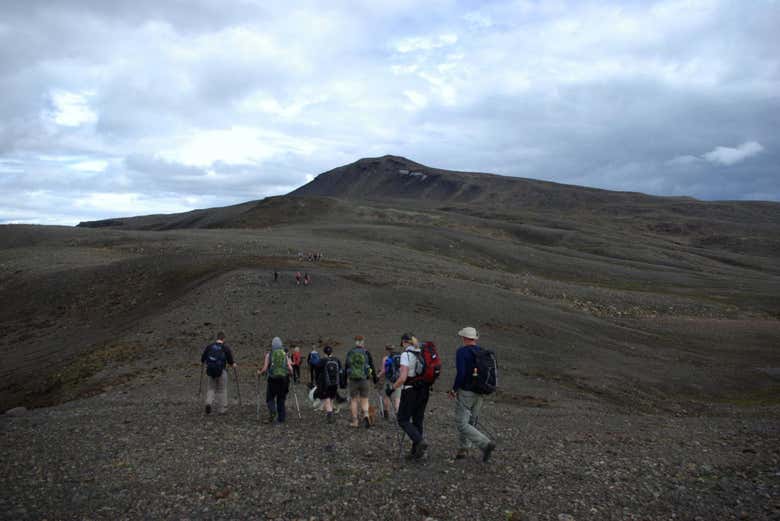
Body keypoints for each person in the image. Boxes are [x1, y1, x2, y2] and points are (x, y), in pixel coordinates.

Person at [447, 327, 496, 462]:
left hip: (466, 391)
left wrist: (454, 389)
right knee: (471, 421)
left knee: (461, 423)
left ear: (464, 338)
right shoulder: (482, 352)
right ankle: (463, 449)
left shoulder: (462, 352)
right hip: (480, 391)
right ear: (475, 338)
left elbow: (461, 373)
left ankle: (485, 444)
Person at [392, 333, 430, 459]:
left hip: (410, 390)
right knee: (417, 420)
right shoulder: (422, 353)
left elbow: (403, 378)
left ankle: (419, 441)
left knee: (402, 419)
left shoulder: (405, 355)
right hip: (424, 391)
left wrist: (392, 388)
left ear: (404, 342)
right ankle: (416, 453)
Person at [344, 335, 378, 428]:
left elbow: (346, 366)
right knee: (365, 399)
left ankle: (355, 421)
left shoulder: (350, 352)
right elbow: (371, 366)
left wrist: (343, 380)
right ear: (363, 342)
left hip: (353, 380)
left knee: (354, 400)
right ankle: (366, 416)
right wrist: (375, 379)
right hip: (364, 379)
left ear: (355, 342)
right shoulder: (366, 352)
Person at [258, 337, 293, 423]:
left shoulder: (269, 354)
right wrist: (291, 374)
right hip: (283, 379)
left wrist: (260, 372)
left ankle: (273, 410)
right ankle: (281, 418)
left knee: (270, 397)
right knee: (281, 398)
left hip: (272, 379)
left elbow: (265, 368)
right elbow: (290, 368)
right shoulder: (285, 354)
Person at [200, 332, 236, 415]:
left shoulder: (210, 346)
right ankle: (222, 409)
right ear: (224, 339)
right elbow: (230, 361)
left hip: (211, 370)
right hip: (221, 371)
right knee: (221, 390)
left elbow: (203, 358)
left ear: (217, 338)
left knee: (211, 388)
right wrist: (233, 364)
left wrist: (205, 363)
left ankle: (208, 402)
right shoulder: (225, 348)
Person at [314, 345, 343, 424]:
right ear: (332, 352)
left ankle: (329, 414)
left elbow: (317, 370)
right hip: (335, 383)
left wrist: (317, 381)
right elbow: (341, 370)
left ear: (324, 353)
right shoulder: (336, 360)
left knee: (327, 398)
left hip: (325, 383)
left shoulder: (322, 360)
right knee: (332, 397)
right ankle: (331, 412)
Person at [377, 343, 401, 418]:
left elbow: (383, 370)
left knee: (387, 395)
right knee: (397, 397)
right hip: (398, 379)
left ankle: (386, 412)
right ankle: (397, 412)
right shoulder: (399, 357)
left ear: (386, 350)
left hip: (389, 380)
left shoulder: (385, 358)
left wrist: (377, 376)